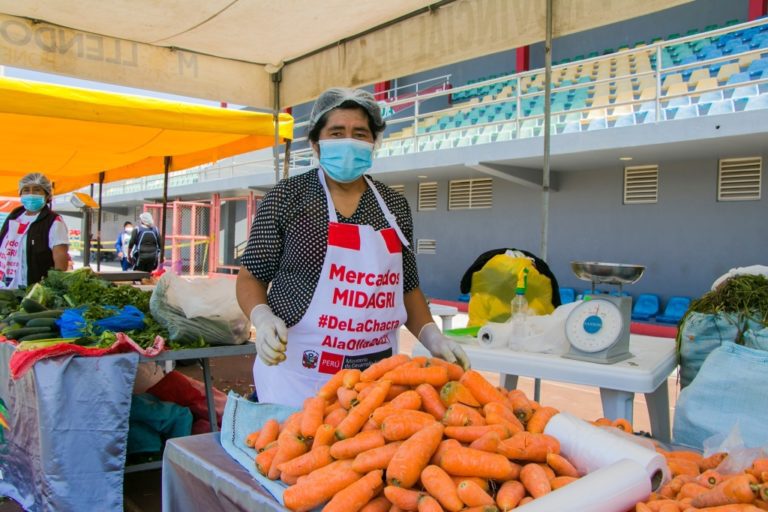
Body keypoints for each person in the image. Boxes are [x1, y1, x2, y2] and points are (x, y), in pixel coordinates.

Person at [236, 87, 469, 408]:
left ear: (374, 142)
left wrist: (432, 336)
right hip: (298, 373)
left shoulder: (393, 205)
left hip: (374, 376)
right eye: (337, 132)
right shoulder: (287, 198)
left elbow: (408, 287)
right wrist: (261, 319)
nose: (349, 141)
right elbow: (251, 277)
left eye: (359, 133)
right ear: (316, 143)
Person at [0, 173, 69, 289]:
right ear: (20, 194)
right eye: (26, 190)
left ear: (47, 195)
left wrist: (54, 289)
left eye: (37, 190)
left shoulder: (54, 222)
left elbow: (60, 260)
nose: (31, 194)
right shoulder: (14, 217)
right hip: (6, 288)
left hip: (35, 291)